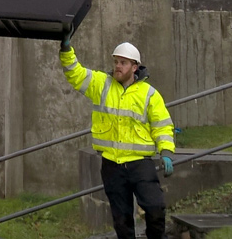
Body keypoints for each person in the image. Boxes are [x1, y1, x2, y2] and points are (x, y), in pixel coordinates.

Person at [59, 32, 175, 239]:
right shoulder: (101, 85)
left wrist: (166, 151)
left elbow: (162, 125)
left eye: (123, 62)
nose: (117, 66)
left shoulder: (149, 94)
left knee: (155, 209)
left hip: (140, 164)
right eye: (115, 62)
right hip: (112, 165)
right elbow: (75, 73)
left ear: (134, 67)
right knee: (122, 221)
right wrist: (66, 50)